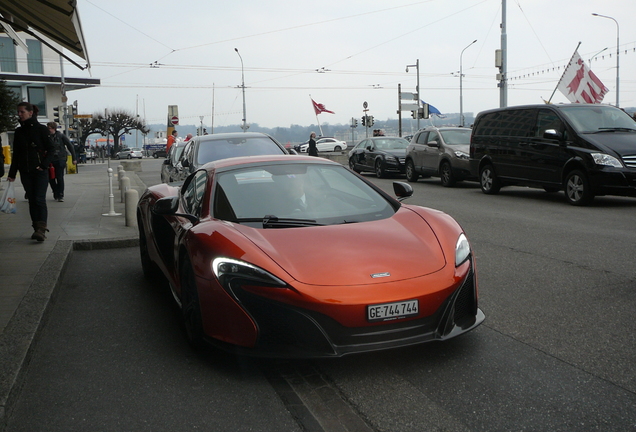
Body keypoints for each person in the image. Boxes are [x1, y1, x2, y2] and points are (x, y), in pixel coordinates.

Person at [7, 102, 54, 241]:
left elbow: (52, 149)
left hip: (39, 171)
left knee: (39, 199)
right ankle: (36, 227)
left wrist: (43, 165)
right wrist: (12, 174)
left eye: (22, 112)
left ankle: (41, 228)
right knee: (32, 200)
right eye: (18, 112)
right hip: (25, 171)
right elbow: (16, 154)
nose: (19, 114)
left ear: (30, 113)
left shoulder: (41, 129)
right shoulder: (19, 131)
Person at [46, 122, 77, 202]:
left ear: (54, 128)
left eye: (50, 128)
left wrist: (74, 158)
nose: (48, 130)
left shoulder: (61, 136)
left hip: (60, 158)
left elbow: (70, 146)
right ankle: (55, 191)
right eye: (48, 128)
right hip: (50, 159)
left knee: (59, 177)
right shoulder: (46, 136)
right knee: (51, 177)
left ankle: (60, 194)